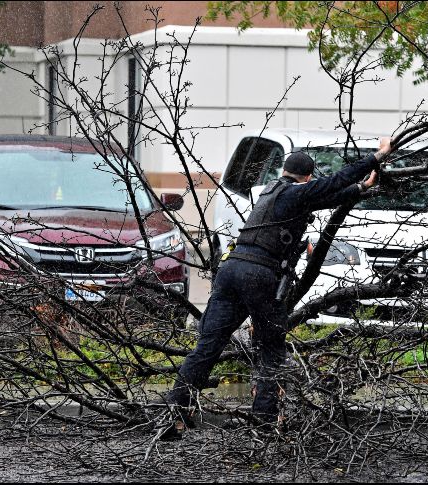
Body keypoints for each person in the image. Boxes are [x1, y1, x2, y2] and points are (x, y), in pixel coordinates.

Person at [159, 136, 393, 438]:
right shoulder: (298, 193)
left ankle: (174, 415)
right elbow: (335, 182)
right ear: (307, 177)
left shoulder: (270, 191)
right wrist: (377, 157)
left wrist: (361, 189)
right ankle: (264, 423)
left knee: (207, 346)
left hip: (230, 271)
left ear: (284, 171)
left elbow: (327, 197)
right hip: (260, 275)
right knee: (271, 350)